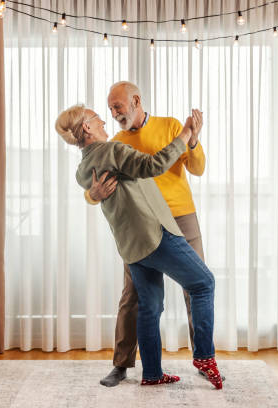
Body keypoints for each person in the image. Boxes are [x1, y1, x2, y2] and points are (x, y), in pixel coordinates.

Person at [55, 105, 222, 389]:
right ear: (86, 127)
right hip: (154, 234)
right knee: (203, 283)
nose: (104, 119)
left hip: (131, 246)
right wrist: (184, 135)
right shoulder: (113, 150)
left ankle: (153, 373)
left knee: (150, 306)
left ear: (135, 101)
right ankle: (205, 356)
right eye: (97, 117)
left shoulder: (83, 168)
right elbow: (153, 166)